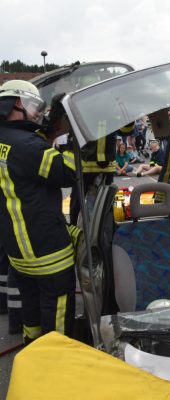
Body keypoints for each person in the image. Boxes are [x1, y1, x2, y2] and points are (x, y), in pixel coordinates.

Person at [0, 80, 78, 344]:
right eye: (33, 106)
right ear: (18, 103)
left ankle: (31, 349)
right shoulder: (30, 146)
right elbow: (68, 173)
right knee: (56, 314)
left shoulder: (7, 140)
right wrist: (68, 136)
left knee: (30, 311)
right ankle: (56, 363)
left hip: (18, 254)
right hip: (48, 253)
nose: (37, 114)